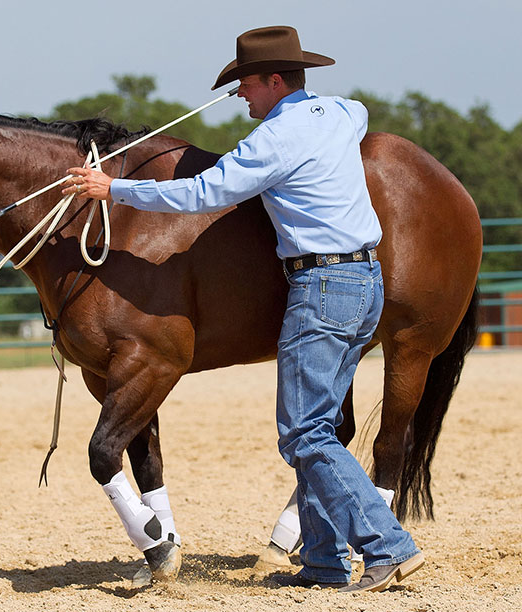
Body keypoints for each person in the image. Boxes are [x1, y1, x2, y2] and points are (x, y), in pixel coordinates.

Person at [62, 25, 424, 592]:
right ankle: (326, 562)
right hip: (365, 281)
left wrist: (115, 190)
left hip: (323, 286)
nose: (240, 96)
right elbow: (358, 110)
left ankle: (389, 544)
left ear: (275, 80)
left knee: (304, 433)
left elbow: (203, 194)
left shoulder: (274, 140)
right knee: (321, 427)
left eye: (246, 84)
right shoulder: (341, 113)